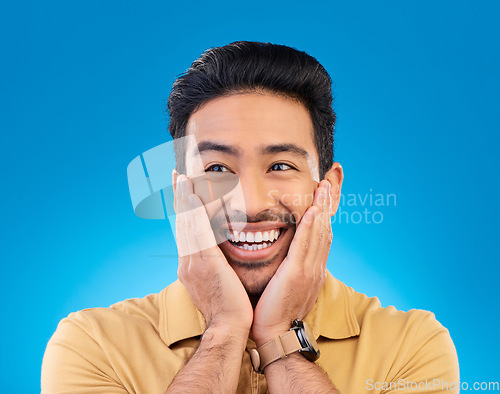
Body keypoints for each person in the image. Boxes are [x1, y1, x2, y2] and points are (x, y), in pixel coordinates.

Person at [42, 41, 459, 393]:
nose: (250, 203)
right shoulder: (91, 345)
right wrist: (224, 331)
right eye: (217, 169)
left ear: (327, 190)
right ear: (179, 194)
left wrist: (279, 337)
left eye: (280, 166)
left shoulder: (413, 345)